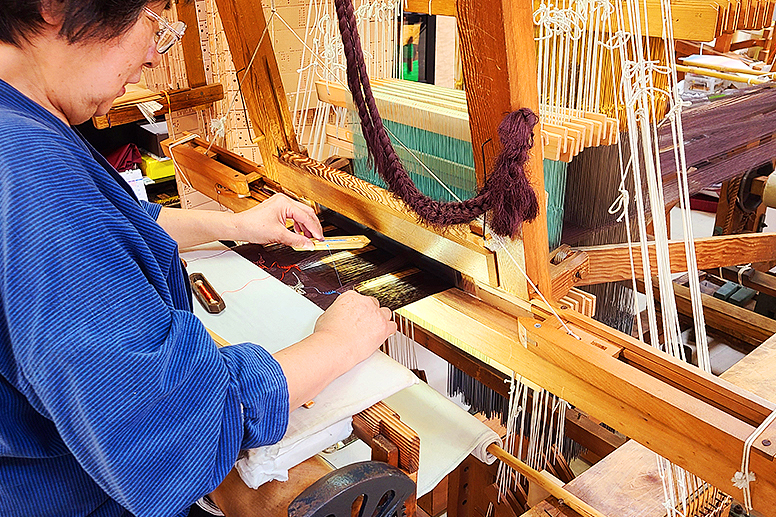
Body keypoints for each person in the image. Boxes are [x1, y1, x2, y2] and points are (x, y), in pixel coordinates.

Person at [0, 1, 396, 516]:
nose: (155, 57)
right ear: (54, 7)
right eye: (154, 16)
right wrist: (335, 346)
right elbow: (160, 430)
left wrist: (236, 225)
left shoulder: (20, 125)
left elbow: (118, 225)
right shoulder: (32, 169)